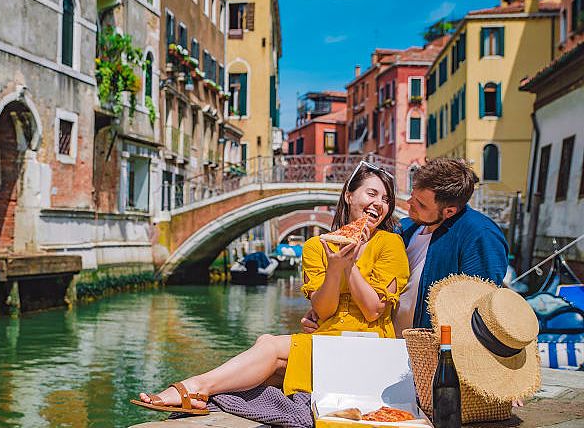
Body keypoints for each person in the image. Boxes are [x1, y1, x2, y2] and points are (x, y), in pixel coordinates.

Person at [131, 161, 410, 414]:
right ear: (349, 196)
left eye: (386, 199)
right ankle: (204, 392)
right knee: (264, 364)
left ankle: (195, 386)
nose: (379, 204)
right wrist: (335, 266)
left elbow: (374, 310)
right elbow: (324, 311)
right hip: (327, 340)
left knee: (269, 346)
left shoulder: (390, 244)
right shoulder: (316, 246)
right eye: (371, 194)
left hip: (370, 346)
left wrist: (349, 266)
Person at [301, 158, 508, 336]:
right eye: (412, 194)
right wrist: (322, 313)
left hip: (431, 357)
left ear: (449, 212)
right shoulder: (406, 228)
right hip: (392, 345)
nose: (408, 203)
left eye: (421, 203)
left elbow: (480, 308)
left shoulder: (480, 234)